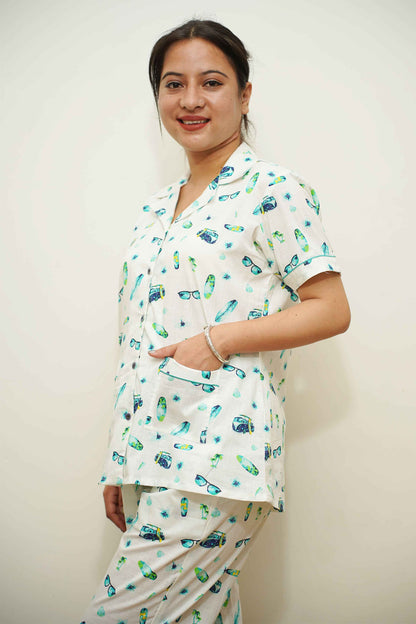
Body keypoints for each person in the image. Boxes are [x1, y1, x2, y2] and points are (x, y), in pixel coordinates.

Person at [80, 18, 350, 624]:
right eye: (173, 84)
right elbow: (139, 338)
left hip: (218, 456)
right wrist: (120, 459)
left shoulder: (274, 190)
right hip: (150, 454)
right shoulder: (154, 210)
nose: (191, 100)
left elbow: (331, 308)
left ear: (244, 94)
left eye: (212, 82)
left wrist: (217, 340)